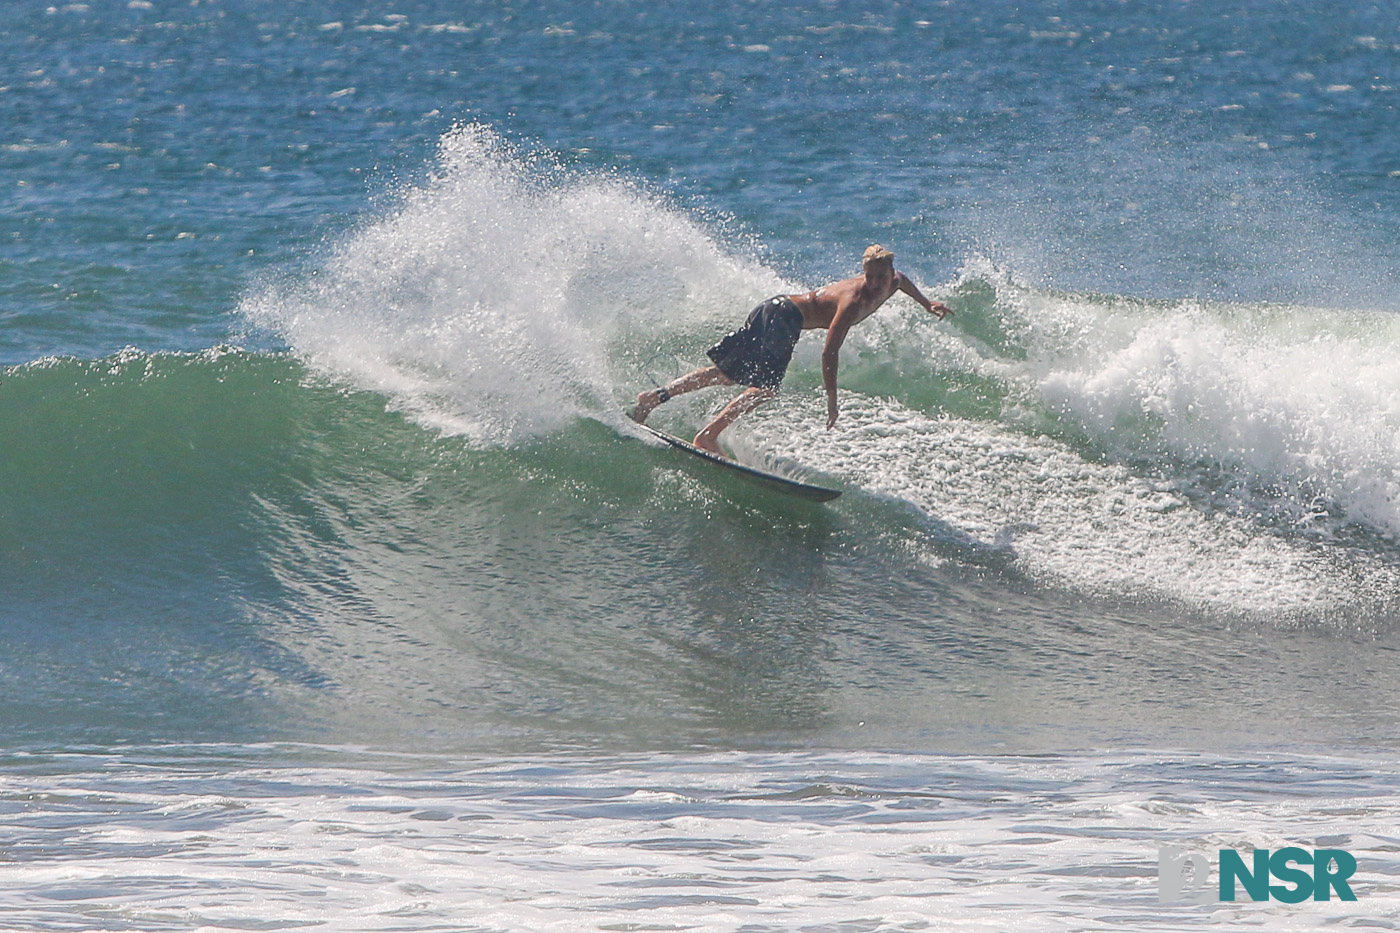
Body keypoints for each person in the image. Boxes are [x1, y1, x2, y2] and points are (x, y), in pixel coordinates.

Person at [631, 244, 953, 455]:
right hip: (784, 316)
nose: (877, 283)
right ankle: (708, 437)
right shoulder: (853, 303)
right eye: (871, 277)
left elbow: (904, 281)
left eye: (882, 277)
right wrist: (832, 399)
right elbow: (830, 352)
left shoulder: (894, 279)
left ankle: (653, 398)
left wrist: (927, 304)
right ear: (864, 273)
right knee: (766, 388)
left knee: (726, 375)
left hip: (773, 306)